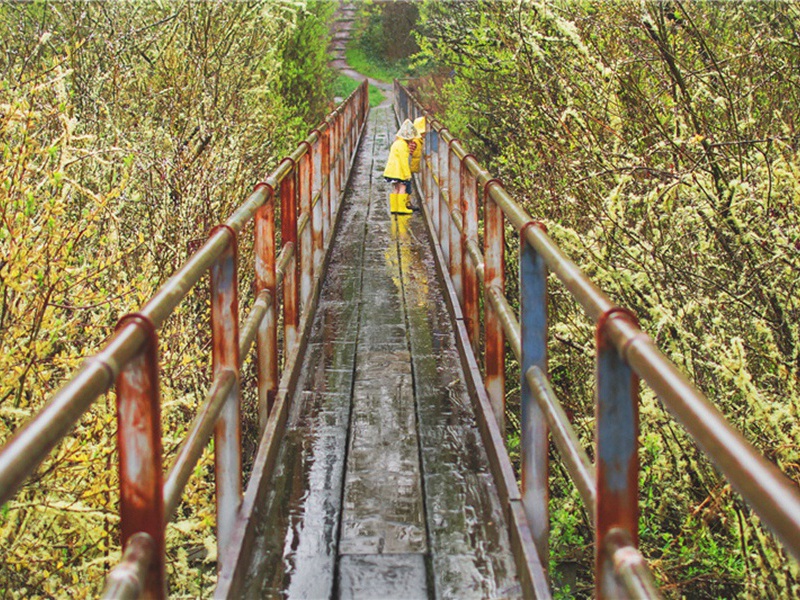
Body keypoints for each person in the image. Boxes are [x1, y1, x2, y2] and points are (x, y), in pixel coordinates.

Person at [383, 119, 417, 214]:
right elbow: (403, 161)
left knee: (396, 188)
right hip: (399, 171)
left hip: (391, 171)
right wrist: (407, 174)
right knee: (402, 187)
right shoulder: (403, 145)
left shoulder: (396, 143)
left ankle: (394, 207)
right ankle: (401, 208)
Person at [406, 116, 426, 209]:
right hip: (408, 168)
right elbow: (408, 153)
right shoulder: (415, 141)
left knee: (407, 185)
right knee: (406, 186)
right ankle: (406, 204)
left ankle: (405, 203)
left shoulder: (418, 140)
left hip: (410, 167)